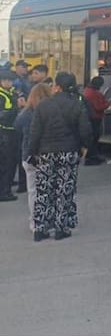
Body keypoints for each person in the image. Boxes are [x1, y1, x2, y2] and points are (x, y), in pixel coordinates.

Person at [28, 72, 93, 241]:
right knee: (64, 189)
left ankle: (40, 229)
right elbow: (85, 129)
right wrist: (85, 147)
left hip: (45, 152)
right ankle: (60, 228)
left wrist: (32, 152)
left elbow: (35, 132)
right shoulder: (77, 105)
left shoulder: (43, 105)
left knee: (44, 190)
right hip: (68, 151)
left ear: (56, 86)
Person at [14, 83, 53, 232]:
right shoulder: (52, 112)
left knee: (33, 191)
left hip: (29, 156)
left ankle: (35, 221)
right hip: (47, 154)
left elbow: (17, 127)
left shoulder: (26, 113)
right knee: (48, 189)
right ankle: (48, 220)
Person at [0, 70, 20, 202]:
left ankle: (7, 185)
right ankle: (4, 192)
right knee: (6, 163)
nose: (8, 82)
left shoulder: (12, 93)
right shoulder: (2, 96)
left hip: (12, 131)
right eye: (5, 80)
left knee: (10, 162)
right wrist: (16, 108)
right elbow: (3, 115)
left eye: (10, 80)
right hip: (4, 132)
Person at [82, 76, 110, 165]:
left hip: (88, 117)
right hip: (95, 117)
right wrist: (108, 103)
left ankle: (90, 155)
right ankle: (93, 156)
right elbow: (98, 107)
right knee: (95, 137)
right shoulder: (95, 93)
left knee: (91, 137)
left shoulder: (86, 90)